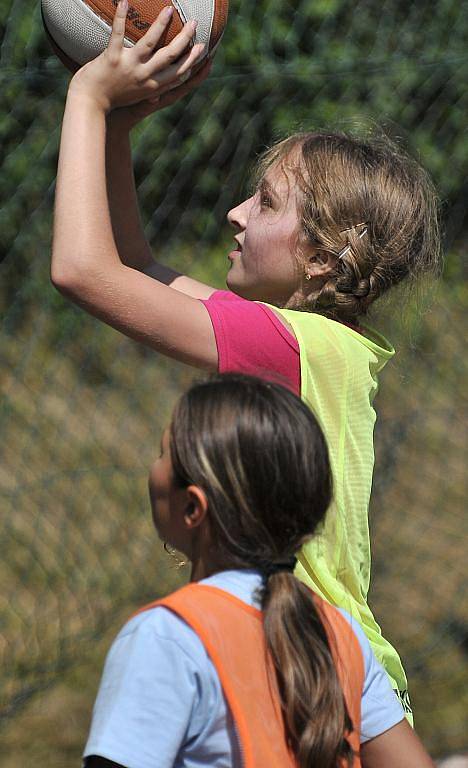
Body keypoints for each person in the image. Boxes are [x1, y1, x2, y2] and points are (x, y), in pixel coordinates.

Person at [51, 2, 441, 717]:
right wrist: (117, 127)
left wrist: (87, 95)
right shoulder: (318, 344)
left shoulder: (290, 346)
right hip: (334, 670)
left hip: (314, 676)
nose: (234, 212)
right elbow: (132, 263)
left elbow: (83, 269)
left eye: (264, 202)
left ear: (321, 259)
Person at [82, 373, 434, 768]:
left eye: (162, 453)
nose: (154, 466)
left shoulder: (169, 636)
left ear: (193, 508)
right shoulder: (340, 636)